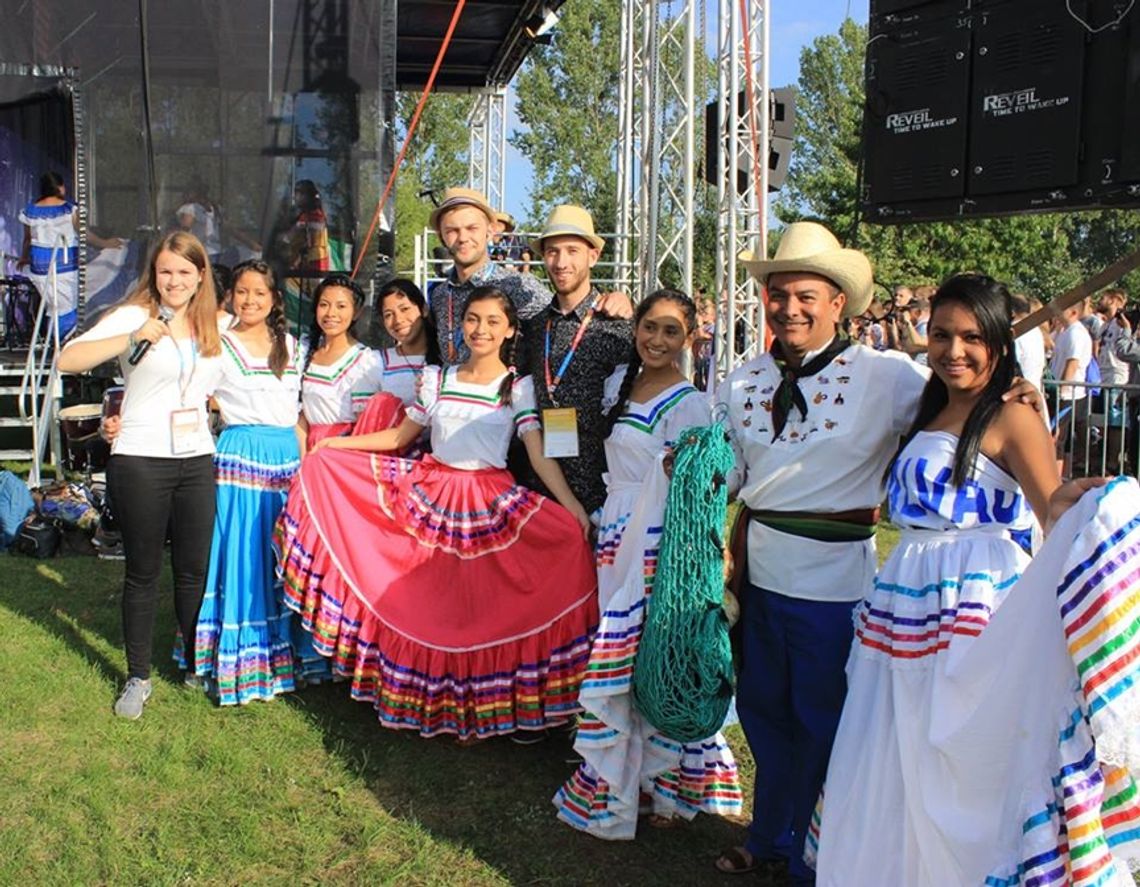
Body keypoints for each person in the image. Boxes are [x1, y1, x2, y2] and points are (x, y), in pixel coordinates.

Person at [811, 274, 1140, 885]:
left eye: (971, 337)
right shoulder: (926, 407)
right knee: (889, 744)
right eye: (940, 334)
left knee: (958, 753)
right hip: (903, 603)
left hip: (975, 603)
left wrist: (1090, 503)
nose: (953, 350)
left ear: (997, 342)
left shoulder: (1013, 417)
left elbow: (1050, 512)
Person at [274, 285, 598, 740]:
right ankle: (423, 699)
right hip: (432, 495)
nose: (480, 330)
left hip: (488, 505)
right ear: (460, 325)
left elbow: (537, 452)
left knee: (477, 613)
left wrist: (572, 508)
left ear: (509, 330)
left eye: (491, 321)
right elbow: (397, 439)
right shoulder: (437, 379)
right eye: (473, 320)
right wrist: (332, 446)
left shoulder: (516, 386)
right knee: (428, 605)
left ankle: (477, 704)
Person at [712, 222, 929, 883]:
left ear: (840, 302)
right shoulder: (742, 380)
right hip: (758, 578)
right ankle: (771, 834)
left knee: (826, 722)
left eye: (806, 294)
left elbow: (959, 409)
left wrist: (1011, 398)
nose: (790, 308)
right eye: (778, 294)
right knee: (763, 714)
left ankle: (823, 852)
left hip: (837, 587)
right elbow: (728, 475)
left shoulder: (888, 377)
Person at [553, 289, 742, 838]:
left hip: (657, 537)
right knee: (625, 650)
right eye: (649, 328)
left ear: (691, 338)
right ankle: (627, 777)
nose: (657, 340)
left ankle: (663, 780)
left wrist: (677, 470)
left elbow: (718, 480)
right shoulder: (620, 383)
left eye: (671, 332)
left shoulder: (690, 403)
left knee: (651, 650)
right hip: (616, 529)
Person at [58, 231, 223, 719]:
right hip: (140, 459)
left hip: (195, 460)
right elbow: (68, 359)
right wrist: (132, 337)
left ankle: (195, 663)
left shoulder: (215, 323)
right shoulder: (136, 315)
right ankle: (138, 676)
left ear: (200, 277)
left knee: (193, 570)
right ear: (155, 274)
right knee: (144, 572)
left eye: (184, 272)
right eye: (166, 271)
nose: (174, 281)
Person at [188, 260, 303, 705]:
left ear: (275, 299)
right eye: (242, 291)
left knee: (280, 556)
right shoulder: (217, 345)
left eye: (260, 292)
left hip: (285, 460)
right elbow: (189, 396)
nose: (250, 300)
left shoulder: (290, 345)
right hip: (240, 460)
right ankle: (238, 661)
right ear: (230, 296)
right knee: (242, 557)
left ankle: (284, 656)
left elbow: (296, 413)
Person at [426, 187, 631, 367]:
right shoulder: (440, 295)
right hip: (450, 403)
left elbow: (569, 314)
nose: (463, 238)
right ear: (441, 236)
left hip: (503, 407)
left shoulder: (518, 286)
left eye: (472, 228)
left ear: (490, 231)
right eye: (452, 230)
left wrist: (613, 300)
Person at [520, 205, 633, 517]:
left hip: (603, 490)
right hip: (542, 487)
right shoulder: (533, 325)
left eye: (572, 250)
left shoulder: (619, 325)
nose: (561, 262)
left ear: (592, 256)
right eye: (553, 252)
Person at [19, 171, 123, 338]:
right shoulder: (70, 210)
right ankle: (66, 338)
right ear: (60, 187)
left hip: (39, 265)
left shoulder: (30, 211)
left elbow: (27, 239)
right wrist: (106, 243)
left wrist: (24, 258)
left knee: (54, 305)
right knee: (70, 302)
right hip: (64, 263)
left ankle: (58, 338)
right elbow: (85, 235)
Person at [349, 277, 442, 449]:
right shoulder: (376, 363)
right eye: (388, 315)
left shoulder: (447, 362)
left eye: (405, 309)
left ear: (424, 309)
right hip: (393, 456)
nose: (398, 320)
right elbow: (367, 421)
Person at [298, 274, 382, 451]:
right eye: (324, 305)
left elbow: (365, 424)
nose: (331, 313)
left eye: (341, 306)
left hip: (344, 451)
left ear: (356, 312)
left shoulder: (363, 361)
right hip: (309, 447)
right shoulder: (303, 351)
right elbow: (302, 416)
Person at [1049, 301, 1093, 476]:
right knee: (1060, 440)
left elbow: (1072, 364)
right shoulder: (1065, 332)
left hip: (1068, 396)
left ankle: (1056, 478)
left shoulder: (1076, 333)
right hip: (1062, 393)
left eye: (1062, 307)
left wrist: (1062, 390)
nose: (1057, 311)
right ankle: (1059, 476)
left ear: (1073, 312)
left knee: (1057, 439)